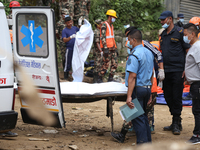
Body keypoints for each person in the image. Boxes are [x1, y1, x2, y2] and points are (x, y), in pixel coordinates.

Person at [111, 29, 154, 144]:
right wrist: (150, 90)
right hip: (147, 88)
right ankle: (148, 143)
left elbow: (132, 77)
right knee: (143, 116)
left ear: (134, 40)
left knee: (137, 118)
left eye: (129, 40)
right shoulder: (149, 52)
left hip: (138, 89)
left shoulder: (134, 54)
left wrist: (129, 96)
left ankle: (142, 144)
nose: (128, 42)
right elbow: (152, 73)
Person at [159, 11, 190, 135]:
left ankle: (176, 122)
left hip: (178, 70)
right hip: (166, 71)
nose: (161, 22)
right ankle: (176, 119)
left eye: (163, 20)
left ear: (170, 19)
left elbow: (188, 51)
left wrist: (186, 69)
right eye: (160, 20)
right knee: (167, 96)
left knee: (177, 97)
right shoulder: (163, 35)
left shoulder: (180, 32)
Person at [183, 23, 200, 144]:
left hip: (198, 84)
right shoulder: (194, 46)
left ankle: (197, 135)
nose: (184, 37)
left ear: (192, 34)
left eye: (185, 35)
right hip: (195, 83)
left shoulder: (197, 47)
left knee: (197, 110)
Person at [97, 9, 118, 83]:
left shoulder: (111, 26)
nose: (114, 19)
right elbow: (102, 37)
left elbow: (112, 37)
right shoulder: (104, 25)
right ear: (110, 16)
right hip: (107, 48)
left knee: (115, 63)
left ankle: (111, 78)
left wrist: (115, 48)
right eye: (113, 17)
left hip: (112, 48)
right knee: (105, 64)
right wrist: (105, 47)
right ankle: (100, 78)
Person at [62, 15, 79, 80]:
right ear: (65, 23)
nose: (70, 23)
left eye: (71, 22)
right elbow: (64, 40)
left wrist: (80, 24)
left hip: (75, 48)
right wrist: (70, 37)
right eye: (68, 22)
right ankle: (65, 76)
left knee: (75, 62)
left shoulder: (74, 28)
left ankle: (74, 76)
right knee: (68, 62)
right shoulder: (65, 30)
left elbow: (81, 31)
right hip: (69, 48)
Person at [56, 8, 69, 79]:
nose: (66, 15)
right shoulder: (59, 23)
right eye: (65, 14)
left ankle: (68, 73)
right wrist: (60, 38)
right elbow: (56, 33)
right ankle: (65, 75)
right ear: (62, 15)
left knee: (69, 57)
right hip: (63, 43)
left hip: (69, 42)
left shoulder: (69, 22)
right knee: (64, 58)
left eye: (67, 14)